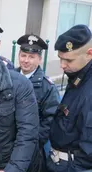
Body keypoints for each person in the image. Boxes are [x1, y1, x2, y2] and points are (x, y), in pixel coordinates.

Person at [47, 24, 92, 172]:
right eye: (60, 58)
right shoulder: (78, 76)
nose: (62, 65)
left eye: (68, 60)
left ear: (89, 53)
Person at [16, 34, 60, 170]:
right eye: (23, 55)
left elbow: (50, 120)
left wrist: (32, 144)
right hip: (6, 146)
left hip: (31, 150)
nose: (26, 60)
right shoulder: (9, 78)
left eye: (31, 57)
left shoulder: (47, 87)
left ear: (40, 59)